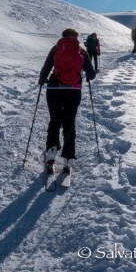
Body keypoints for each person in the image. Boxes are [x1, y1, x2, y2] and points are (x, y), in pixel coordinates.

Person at [38, 28, 96, 174]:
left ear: (62, 36)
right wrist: (87, 75)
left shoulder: (56, 48)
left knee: (54, 121)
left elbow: (45, 69)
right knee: (69, 123)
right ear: (76, 37)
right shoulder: (81, 50)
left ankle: (51, 158)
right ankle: (68, 162)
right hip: (73, 91)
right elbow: (92, 74)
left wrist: (42, 81)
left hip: (54, 90)